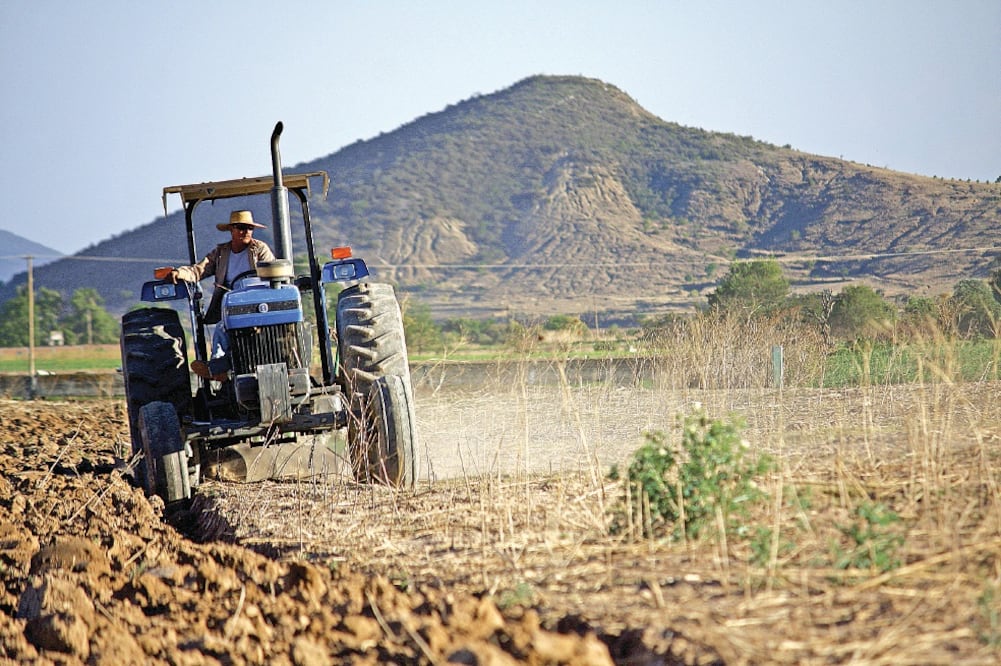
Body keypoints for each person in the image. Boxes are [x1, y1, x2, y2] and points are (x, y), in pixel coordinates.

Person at [166, 210, 275, 381]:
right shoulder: (221, 253)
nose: (246, 231)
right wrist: (180, 273)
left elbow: (272, 272)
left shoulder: (259, 249)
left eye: (249, 228)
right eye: (241, 227)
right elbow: (198, 270)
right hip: (232, 303)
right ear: (231, 230)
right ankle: (217, 369)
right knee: (221, 328)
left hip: (258, 302)